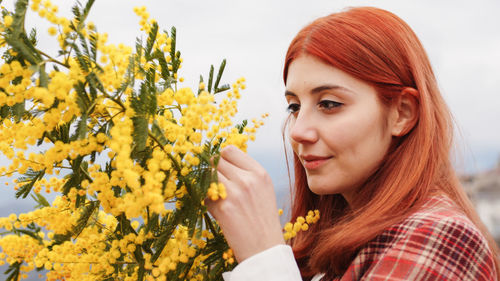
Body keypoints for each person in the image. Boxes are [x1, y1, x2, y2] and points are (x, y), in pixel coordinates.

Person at [206, 6, 500, 281]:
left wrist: (263, 257)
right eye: (294, 107)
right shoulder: (336, 248)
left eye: (330, 104)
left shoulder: (443, 241)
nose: (298, 131)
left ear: (402, 113)